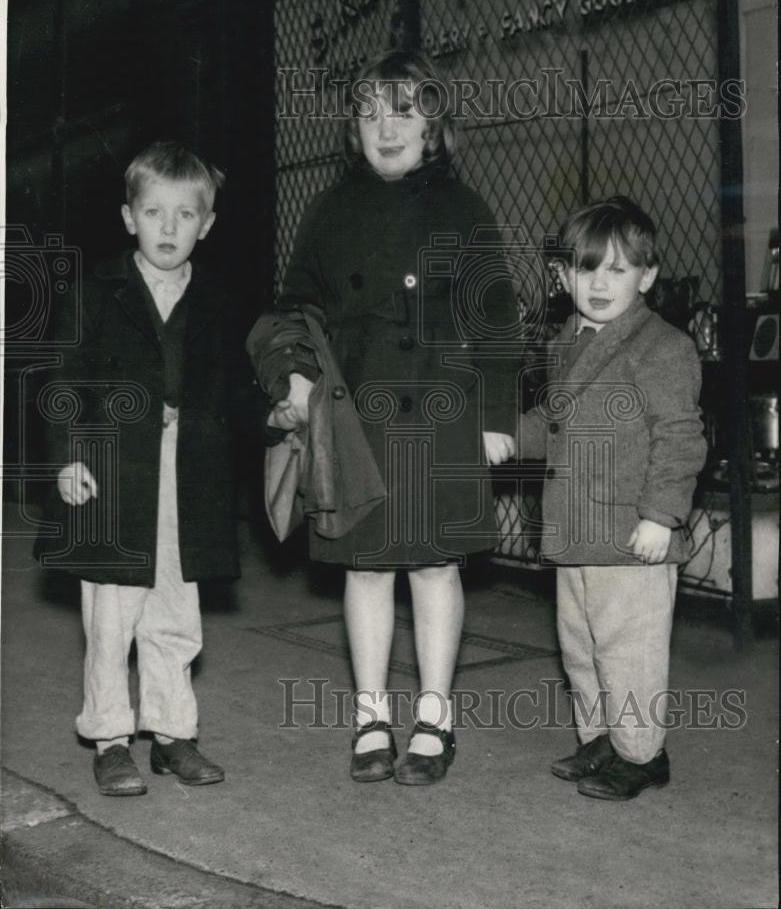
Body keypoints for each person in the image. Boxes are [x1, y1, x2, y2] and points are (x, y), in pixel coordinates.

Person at [258, 50, 519, 785]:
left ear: (434, 124)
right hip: (358, 412)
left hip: (443, 407)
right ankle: (371, 713)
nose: (385, 127)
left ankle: (434, 714)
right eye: (369, 113)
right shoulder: (330, 209)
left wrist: (497, 416)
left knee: (435, 563)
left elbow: (496, 315)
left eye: (402, 110)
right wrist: (296, 380)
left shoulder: (462, 208)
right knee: (366, 568)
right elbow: (294, 310)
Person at [37, 142, 241, 796]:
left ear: (206, 225)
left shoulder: (213, 299)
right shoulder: (98, 290)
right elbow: (63, 380)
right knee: (112, 617)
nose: (169, 228)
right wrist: (68, 453)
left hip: (187, 473)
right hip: (112, 474)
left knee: (176, 613)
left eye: (185, 215)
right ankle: (110, 738)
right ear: (130, 217)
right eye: (154, 212)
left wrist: (282, 419)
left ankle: (173, 733)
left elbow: (232, 386)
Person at [518, 196, 707, 800]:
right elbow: (553, 419)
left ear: (647, 276)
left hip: (632, 536)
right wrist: (503, 437)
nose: (598, 284)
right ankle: (600, 738)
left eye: (617, 270)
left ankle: (642, 753)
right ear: (562, 275)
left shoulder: (664, 347)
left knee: (630, 649)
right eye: (584, 268)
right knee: (581, 648)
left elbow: (680, 438)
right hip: (576, 531)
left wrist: (661, 516)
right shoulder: (568, 340)